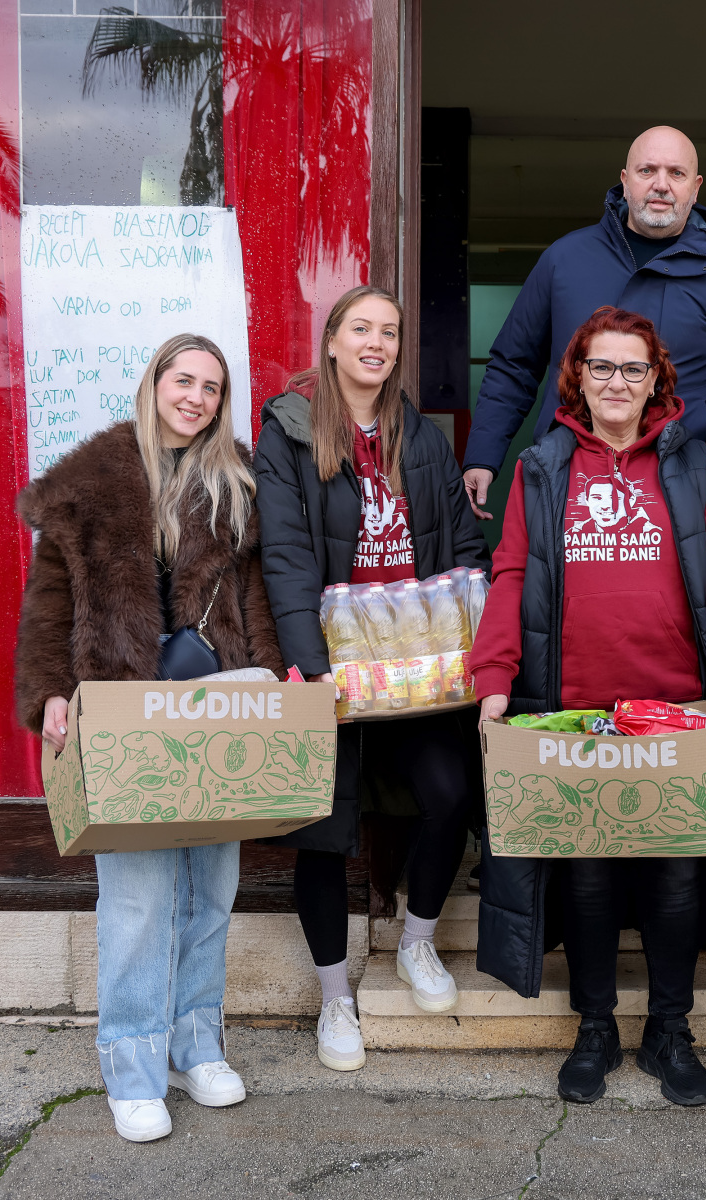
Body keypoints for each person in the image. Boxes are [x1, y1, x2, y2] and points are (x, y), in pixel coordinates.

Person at [469, 306, 706, 1109]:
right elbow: (511, 572)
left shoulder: (697, 464)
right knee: (588, 879)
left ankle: (670, 1028)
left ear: (655, 380)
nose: (616, 382)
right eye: (601, 367)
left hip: (676, 709)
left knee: (676, 877)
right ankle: (595, 1026)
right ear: (578, 378)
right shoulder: (541, 467)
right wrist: (494, 676)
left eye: (633, 368)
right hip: (573, 709)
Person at [14, 333, 283, 1143]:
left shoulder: (236, 482)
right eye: (183, 380)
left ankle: (195, 1046)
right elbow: (49, 602)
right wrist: (48, 693)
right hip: (121, 709)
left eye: (211, 386)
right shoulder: (88, 483)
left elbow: (258, 598)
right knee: (135, 901)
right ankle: (131, 1066)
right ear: (155, 383)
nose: (195, 397)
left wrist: (273, 677)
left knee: (209, 892)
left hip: (215, 710)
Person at [253, 285, 491, 1074]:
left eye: (389, 331)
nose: (376, 343)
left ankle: (417, 941)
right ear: (331, 341)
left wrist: (474, 634)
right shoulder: (289, 433)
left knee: (450, 793)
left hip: (416, 668)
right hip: (331, 667)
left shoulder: (419, 436)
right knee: (324, 831)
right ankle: (334, 999)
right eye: (361, 328)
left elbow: (461, 545)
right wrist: (310, 669)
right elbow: (285, 558)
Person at [461, 125, 706, 515]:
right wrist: (482, 456)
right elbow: (513, 366)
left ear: (696, 187)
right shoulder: (564, 260)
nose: (661, 184)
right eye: (647, 170)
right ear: (625, 181)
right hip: (566, 485)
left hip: (680, 495)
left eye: (676, 173)